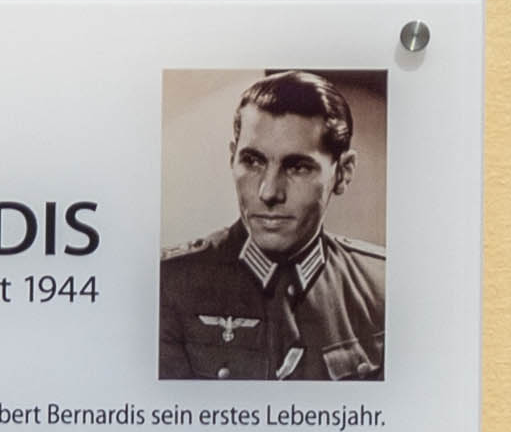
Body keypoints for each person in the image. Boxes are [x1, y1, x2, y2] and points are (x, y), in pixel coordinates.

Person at [151, 72, 387, 382]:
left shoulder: (381, 289)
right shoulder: (169, 285)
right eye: (252, 161)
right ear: (231, 158)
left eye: (298, 167)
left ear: (343, 173)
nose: (269, 192)